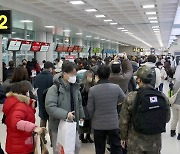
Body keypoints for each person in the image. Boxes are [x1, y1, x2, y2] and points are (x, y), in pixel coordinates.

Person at [120, 66, 171, 154]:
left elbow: (124, 121)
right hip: (155, 141)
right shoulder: (162, 96)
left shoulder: (131, 96)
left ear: (139, 80)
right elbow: (167, 118)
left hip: (135, 141)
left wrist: (123, 137)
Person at [45, 61, 85, 154]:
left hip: (73, 124)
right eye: (72, 74)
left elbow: (79, 104)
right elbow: (50, 107)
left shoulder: (75, 87)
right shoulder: (55, 89)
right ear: (64, 74)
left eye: (75, 74)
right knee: (60, 149)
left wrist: (81, 116)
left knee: (75, 147)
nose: (74, 76)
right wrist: (66, 114)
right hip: (58, 126)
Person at [87, 65, 125, 154]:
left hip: (98, 124)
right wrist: (117, 103)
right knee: (116, 147)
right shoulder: (116, 87)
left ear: (98, 76)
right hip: (113, 123)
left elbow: (90, 109)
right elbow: (125, 99)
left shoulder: (93, 90)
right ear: (109, 75)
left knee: (100, 148)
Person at [2, 82, 44, 154]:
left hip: (17, 145)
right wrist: (34, 128)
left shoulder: (15, 103)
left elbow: (25, 116)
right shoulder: (20, 105)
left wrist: (31, 107)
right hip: (21, 147)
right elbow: (16, 122)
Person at [34, 61, 54, 144]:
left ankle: (42, 139)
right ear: (50, 68)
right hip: (50, 101)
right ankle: (53, 141)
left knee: (43, 120)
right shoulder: (52, 77)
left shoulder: (37, 77)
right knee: (51, 122)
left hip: (41, 101)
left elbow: (35, 89)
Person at [79, 70, 94, 143]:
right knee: (82, 121)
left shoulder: (93, 85)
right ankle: (81, 135)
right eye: (89, 76)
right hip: (83, 105)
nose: (91, 78)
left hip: (90, 106)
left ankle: (88, 136)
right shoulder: (82, 85)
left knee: (90, 122)